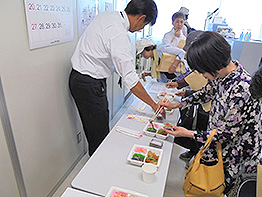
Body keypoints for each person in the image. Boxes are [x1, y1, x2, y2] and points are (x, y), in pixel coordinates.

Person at [159, 31, 262, 196]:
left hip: (236, 157)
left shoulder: (242, 90)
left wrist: (188, 133)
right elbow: (205, 93)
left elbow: (225, 134)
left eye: (201, 70)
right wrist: (177, 104)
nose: (201, 75)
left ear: (212, 64)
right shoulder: (223, 74)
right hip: (219, 146)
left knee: (220, 190)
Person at [69, 0, 161, 156]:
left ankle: (98, 162)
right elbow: (130, 78)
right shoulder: (118, 33)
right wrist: (154, 104)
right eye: (144, 25)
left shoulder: (108, 16)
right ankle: (98, 173)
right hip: (89, 83)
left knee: (95, 128)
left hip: (80, 78)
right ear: (140, 18)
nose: (141, 29)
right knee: (98, 134)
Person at [157, 12, 188, 82]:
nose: (179, 24)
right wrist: (179, 51)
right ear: (172, 23)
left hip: (176, 68)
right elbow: (165, 50)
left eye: (181, 22)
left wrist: (174, 65)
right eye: (177, 22)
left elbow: (183, 53)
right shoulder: (167, 35)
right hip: (165, 66)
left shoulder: (184, 38)